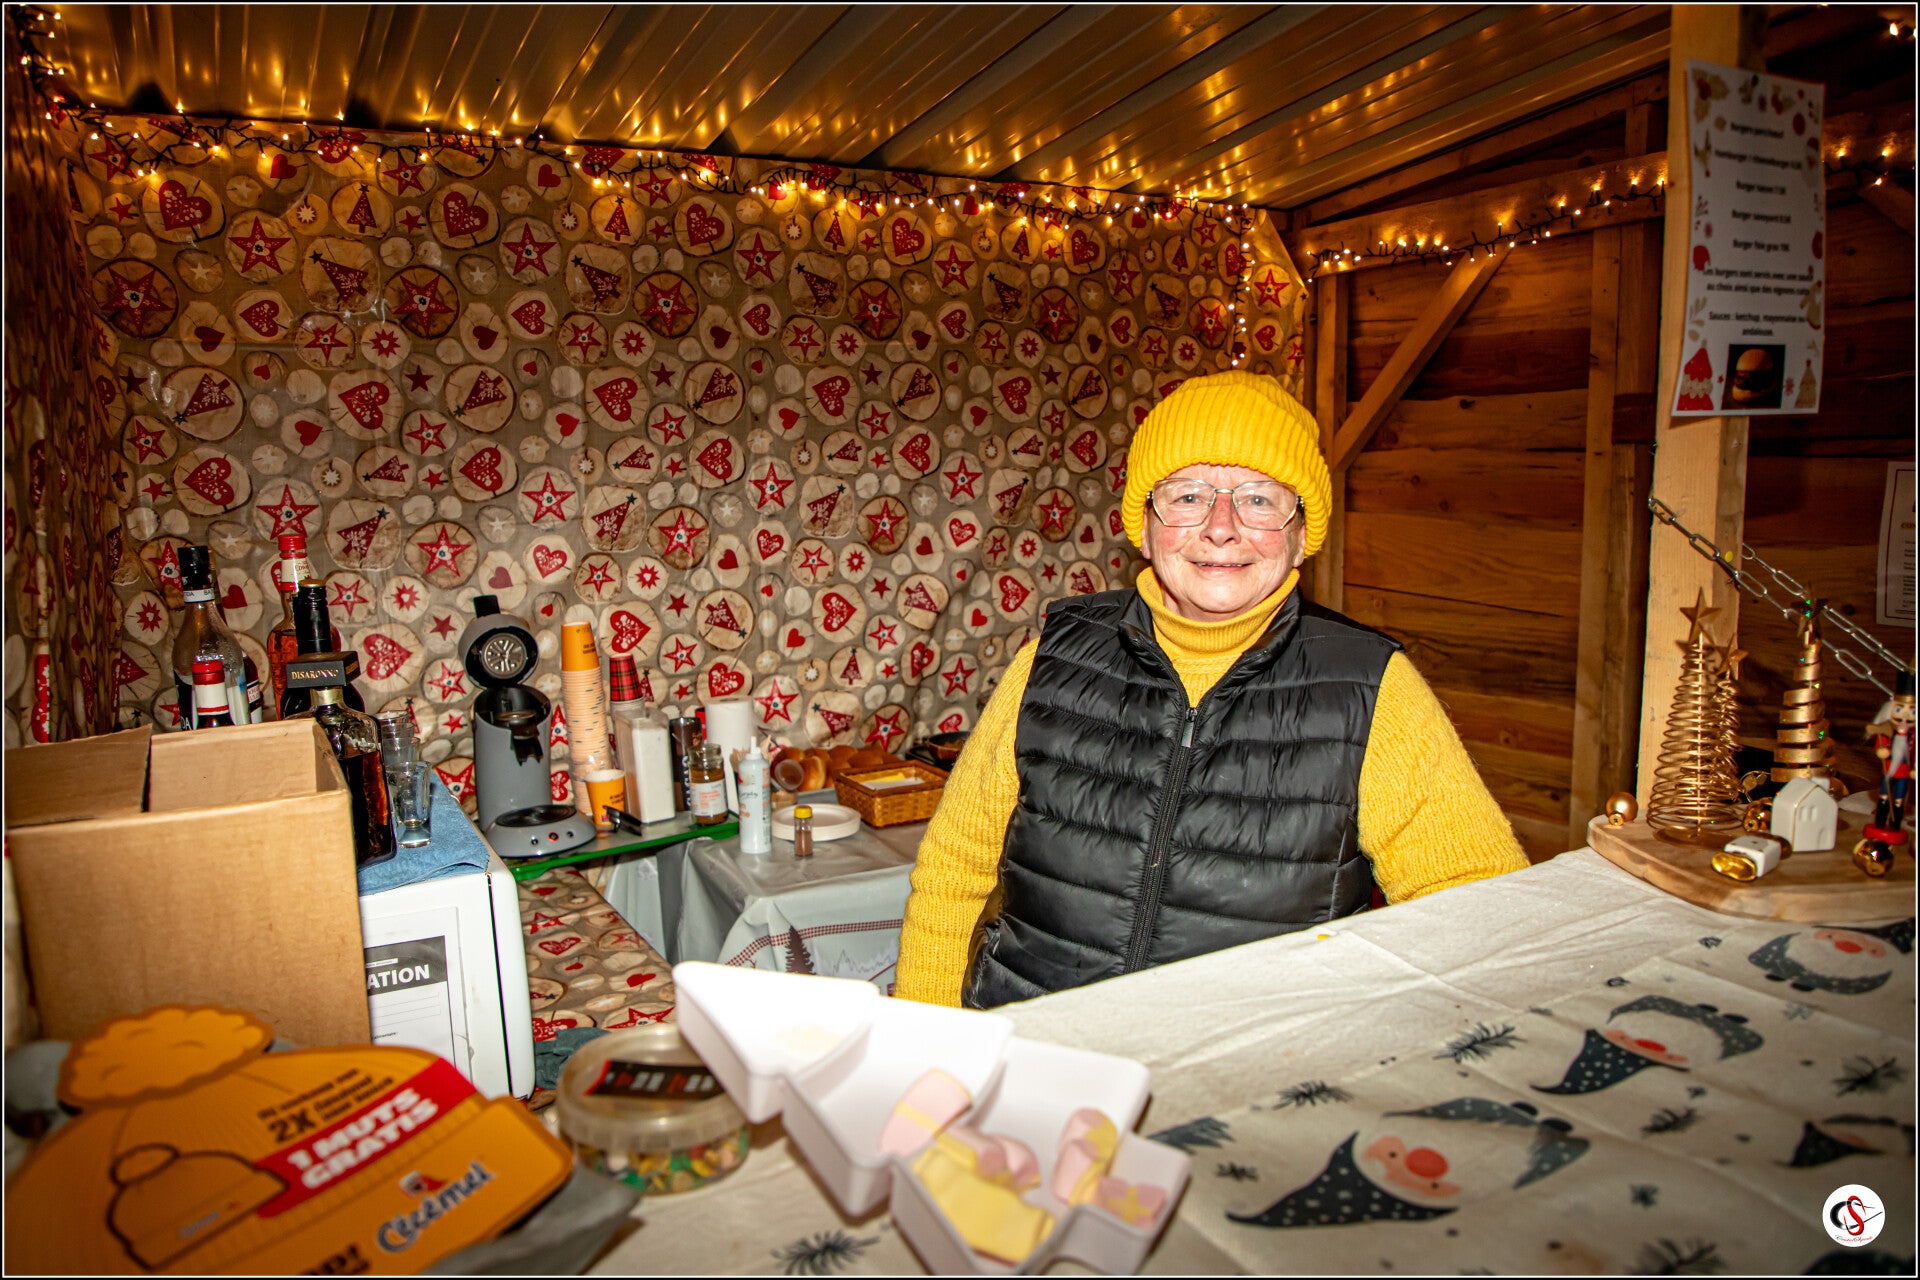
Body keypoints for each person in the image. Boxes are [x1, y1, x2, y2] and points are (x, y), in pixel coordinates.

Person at [895, 371, 1529, 1009]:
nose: (1221, 527)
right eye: (1188, 495)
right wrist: (922, 1043)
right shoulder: (1050, 663)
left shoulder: (1370, 689)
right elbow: (954, 872)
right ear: (1145, 526)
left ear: (1301, 535)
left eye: (1259, 499)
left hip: (1252, 1066)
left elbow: (1481, 916)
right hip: (1034, 1050)